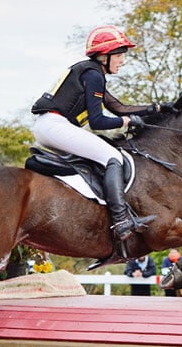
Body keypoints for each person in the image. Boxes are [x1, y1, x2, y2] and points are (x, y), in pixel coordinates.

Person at [31, 25, 171, 241]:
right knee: (113, 157)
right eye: (119, 55)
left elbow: (118, 107)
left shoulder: (90, 72)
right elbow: (98, 121)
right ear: (104, 56)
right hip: (55, 125)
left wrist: (158, 109)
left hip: (49, 125)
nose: (122, 61)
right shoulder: (94, 75)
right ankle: (121, 219)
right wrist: (125, 122)